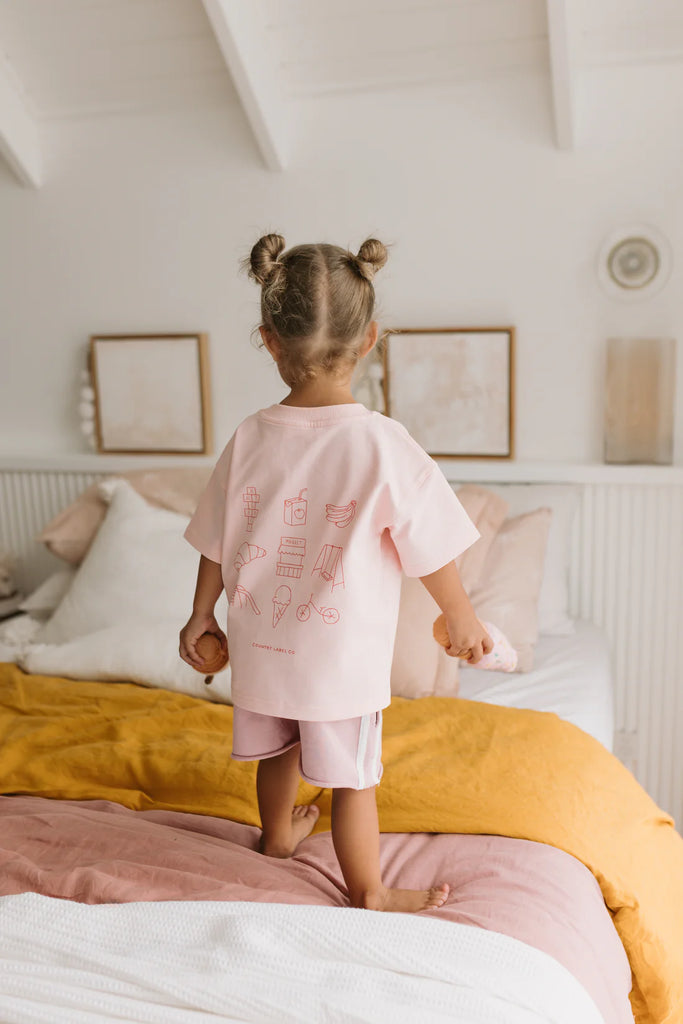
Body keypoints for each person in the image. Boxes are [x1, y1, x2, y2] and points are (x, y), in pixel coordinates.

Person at [179, 234, 492, 914]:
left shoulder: (250, 435)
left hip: (262, 647)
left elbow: (215, 537)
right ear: (369, 337)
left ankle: (275, 842)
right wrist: (459, 613)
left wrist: (201, 613)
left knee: (276, 753)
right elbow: (430, 544)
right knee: (354, 782)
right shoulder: (380, 442)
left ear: (269, 341)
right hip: (337, 660)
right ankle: (371, 892)